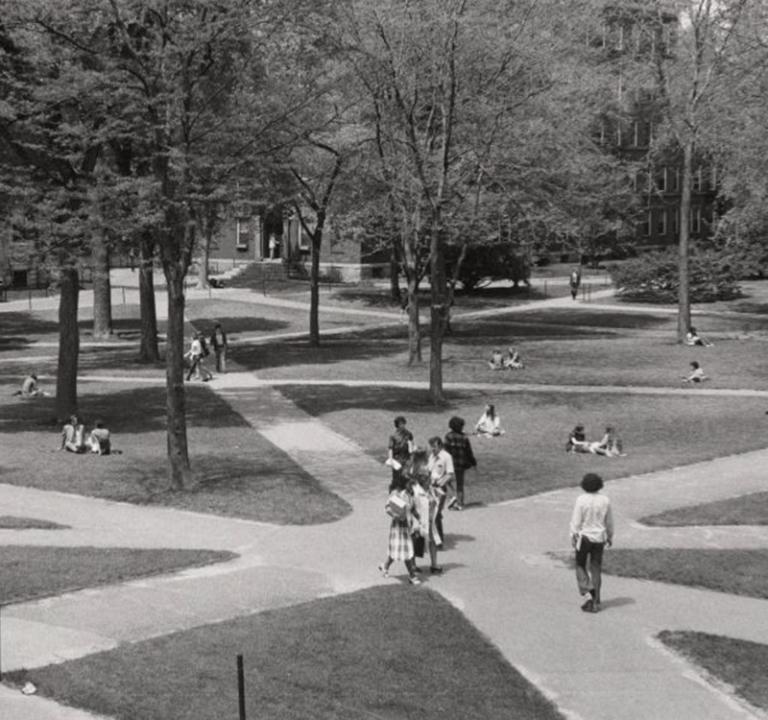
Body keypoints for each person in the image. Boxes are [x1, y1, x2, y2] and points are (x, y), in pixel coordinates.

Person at [569, 472, 614, 613]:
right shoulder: (605, 500)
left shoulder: (581, 499)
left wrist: (573, 534)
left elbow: (576, 520)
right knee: (595, 568)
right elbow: (609, 521)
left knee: (580, 565)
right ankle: (596, 600)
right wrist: (610, 536)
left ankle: (588, 591)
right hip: (599, 538)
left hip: (585, 537)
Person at [378, 473, 421, 585]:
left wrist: (420, 519)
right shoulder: (396, 493)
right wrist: (395, 515)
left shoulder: (410, 494)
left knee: (397, 550)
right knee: (406, 551)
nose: (410, 485)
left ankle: (385, 566)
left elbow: (412, 509)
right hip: (398, 528)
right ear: (403, 483)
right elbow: (387, 508)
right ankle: (412, 576)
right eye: (408, 483)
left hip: (407, 526)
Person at [409, 450, 443, 575]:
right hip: (418, 521)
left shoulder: (430, 489)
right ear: (420, 478)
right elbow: (410, 506)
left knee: (433, 541)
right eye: (426, 477)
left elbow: (434, 501)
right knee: (415, 542)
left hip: (429, 520)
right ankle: (413, 566)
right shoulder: (415, 490)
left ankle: (434, 565)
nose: (428, 479)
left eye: (428, 476)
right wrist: (417, 518)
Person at [444, 416, 476, 511]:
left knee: (445, 481)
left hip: (450, 464)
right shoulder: (464, 438)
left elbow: (445, 451)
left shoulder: (448, 436)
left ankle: (453, 496)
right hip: (461, 464)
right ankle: (460, 503)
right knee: (460, 484)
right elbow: (468, 452)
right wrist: (473, 462)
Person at [427, 436, 455, 543]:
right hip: (430, 488)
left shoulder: (446, 457)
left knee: (436, 514)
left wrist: (440, 482)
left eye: (434, 447)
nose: (432, 449)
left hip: (440, 489)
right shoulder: (432, 456)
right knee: (431, 513)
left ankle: (439, 541)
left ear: (439, 445)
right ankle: (433, 537)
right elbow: (429, 469)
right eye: (431, 447)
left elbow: (450, 474)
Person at [386, 416, 414, 491]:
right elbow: (390, 448)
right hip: (397, 459)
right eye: (400, 424)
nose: (402, 425)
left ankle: (405, 493)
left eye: (403, 423)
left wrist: (412, 458)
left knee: (406, 476)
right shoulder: (393, 436)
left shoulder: (409, 434)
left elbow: (411, 446)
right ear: (397, 425)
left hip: (406, 458)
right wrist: (391, 459)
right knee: (396, 478)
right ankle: (393, 492)